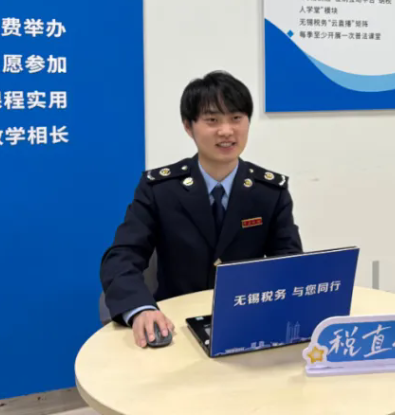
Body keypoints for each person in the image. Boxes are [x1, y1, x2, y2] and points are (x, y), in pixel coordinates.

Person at [100, 71, 303, 348]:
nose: (226, 131)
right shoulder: (160, 189)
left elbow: (289, 262)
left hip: (248, 325)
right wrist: (141, 309)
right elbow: (123, 256)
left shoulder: (269, 192)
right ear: (188, 126)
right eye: (212, 120)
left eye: (236, 118)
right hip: (175, 325)